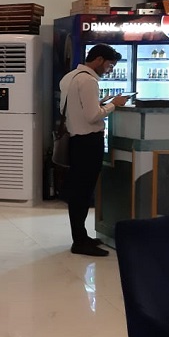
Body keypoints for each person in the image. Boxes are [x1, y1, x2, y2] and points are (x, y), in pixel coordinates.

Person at [59, 44, 130, 257]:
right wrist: (114, 104)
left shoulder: (70, 77)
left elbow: (73, 109)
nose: (110, 70)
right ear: (98, 60)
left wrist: (100, 103)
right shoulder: (89, 80)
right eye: (109, 65)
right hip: (89, 143)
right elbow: (92, 117)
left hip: (76, 141)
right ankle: (80, 241)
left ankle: (81, 236)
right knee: (83, 192)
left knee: (78, 191)